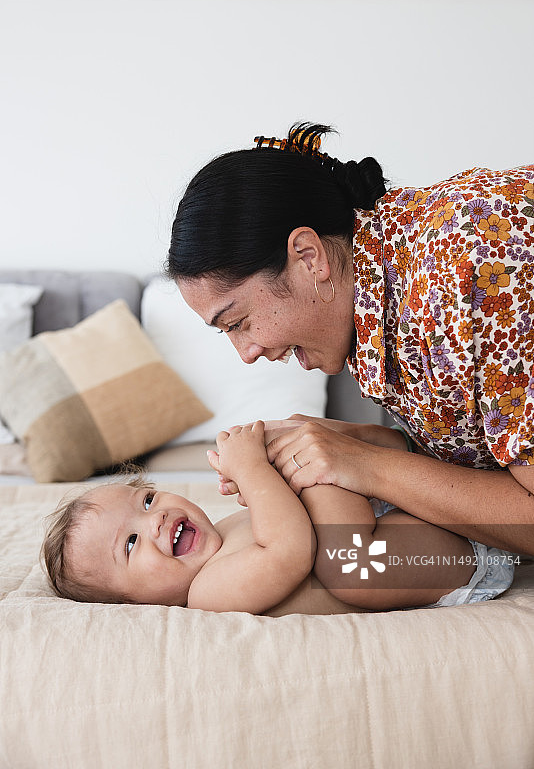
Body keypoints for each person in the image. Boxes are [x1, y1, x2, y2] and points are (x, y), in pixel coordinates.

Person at [166, 122, 534, 557]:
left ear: (307, 256)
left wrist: (367, 465)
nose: (246, 354)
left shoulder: (471, 270)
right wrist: (353, 440)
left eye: (238, 322)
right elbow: (480, 448)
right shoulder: (369, 288)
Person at [41, 421, 517, 614]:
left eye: (146, 503)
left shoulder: (223, 532)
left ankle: (367, 442)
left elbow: (284, 520)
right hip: (422, 560)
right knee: (344, 562)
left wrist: (268, 476)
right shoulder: (208, 595)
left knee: (308, 461)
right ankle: (337, 446)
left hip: (400, 521)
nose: (156, 522)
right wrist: (253, 469)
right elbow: (290, 551)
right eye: (130, 544)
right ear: (134, 607)